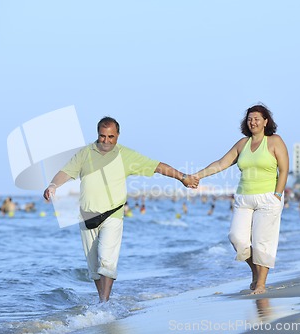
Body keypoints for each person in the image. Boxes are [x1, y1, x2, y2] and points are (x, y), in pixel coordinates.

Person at [43, 116, 198, 302]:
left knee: (107, 261)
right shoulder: (85, 153)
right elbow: (66, 172)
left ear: (118, 135)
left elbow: (156, 166)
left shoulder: (126, 155)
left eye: (111, 137)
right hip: (87, 215)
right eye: (102, 136)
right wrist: (53, 185)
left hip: (112, 214)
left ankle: (104, 304)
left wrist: (182, 177)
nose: (106, 141)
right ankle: (101, 301)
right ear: (97, 134)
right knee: (94, 268)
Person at [192, 104, 289, 295]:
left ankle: (261, 284)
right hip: (244, 197)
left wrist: (277, 194)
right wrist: (197, 176)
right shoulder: (242, 144)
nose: (252, 122)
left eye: (257, 119)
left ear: (265, 121)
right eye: (250, 119)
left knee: (262, 242)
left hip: (268, 196)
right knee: (237, 238)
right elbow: (221, 163)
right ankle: (255, 272)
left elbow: (284, 170)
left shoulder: (274, 141)